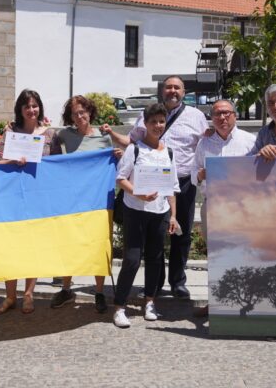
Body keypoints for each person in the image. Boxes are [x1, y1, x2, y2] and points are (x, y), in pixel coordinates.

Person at [104, 75, 208, 299]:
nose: (173, 91)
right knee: (155, 237)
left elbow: (205, 144)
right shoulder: (146, 115)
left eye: (177, 87)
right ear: (162, 91)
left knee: (181, 233)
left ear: (184, 92)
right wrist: (112, 136)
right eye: (169, 87)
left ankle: (178, 282)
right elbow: (132, 142)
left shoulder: (197, 116)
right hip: (150, 183)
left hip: (182, 182)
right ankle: (155, 284)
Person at [49, 95, 122, 314]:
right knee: (69, 243)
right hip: (72, 201)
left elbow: (112, 164)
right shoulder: (64, 135)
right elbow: (49, 146)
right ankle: (66, 289)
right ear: (70, 117)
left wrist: (117, 157)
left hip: (98, 202)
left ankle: (99, 292)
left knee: (99, 244)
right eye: (75, 113)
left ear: (90, 112)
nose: (80, 116)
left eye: (83, 112)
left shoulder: (103, 137)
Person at [112, 104, 179, 327]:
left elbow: (172, 187)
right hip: (135, 211)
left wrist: (173, 215)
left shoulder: (169, 152)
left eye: (161, 121)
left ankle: (150, 301)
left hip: (160, 212)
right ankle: (119, 306)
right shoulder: (134, 149)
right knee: (132, 259)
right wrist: (138, 193)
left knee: (155, 258)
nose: (158, 125)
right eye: (153, 122)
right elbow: (121, 178)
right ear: (146, 124)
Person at [190, 99, 256, 317]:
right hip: (214, 206)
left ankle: (247, 303)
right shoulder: (204, 144)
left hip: (243, 208)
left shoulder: (250, 141)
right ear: (212, 118)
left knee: (245, 255)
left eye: (227, 113)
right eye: (217, 114)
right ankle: (216, 301)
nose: (222, 117)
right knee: (216, 257)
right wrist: (200, 174)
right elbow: (193, 174)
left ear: (235, 115)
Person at [0, 89, 56, 315]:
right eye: (27, 106)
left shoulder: (50, 134)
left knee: (33, 247)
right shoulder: (10, 132)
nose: (31, 110)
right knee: (10, 247)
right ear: (20, 109)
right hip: (12, 197)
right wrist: (12, 161)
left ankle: (28, 294)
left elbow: (58, 165)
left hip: (38, 197)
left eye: (34, 105)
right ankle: (10, 296)